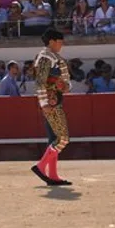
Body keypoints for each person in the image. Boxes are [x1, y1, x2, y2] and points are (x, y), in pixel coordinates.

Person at [30, 28, 73, 186]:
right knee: (63, 138)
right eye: (60, 42)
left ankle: (53, 176)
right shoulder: (45, 57)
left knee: (56, 139)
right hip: (50, 102)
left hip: (55, 100)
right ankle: (41, 167)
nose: (61, 44)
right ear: (52, 42)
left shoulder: (53, 57)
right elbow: (40, 81)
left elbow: (65, 80)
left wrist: (67, 86)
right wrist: (43, 103)